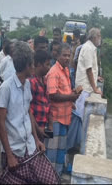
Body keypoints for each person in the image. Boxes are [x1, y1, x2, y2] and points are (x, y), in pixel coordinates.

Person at [0, 41, 59, 184]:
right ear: (27, 65)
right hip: (14, 150)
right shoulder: (6, 89)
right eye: (32, 64)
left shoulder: (27, 85)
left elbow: (28, 113)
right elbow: (0, 123)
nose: (34, 66)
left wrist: (36, 139)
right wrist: (9, 155)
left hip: (30, 147)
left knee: (51, 180)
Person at [45, 43, 80, 175]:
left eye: (68, 55)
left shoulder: (65, 70)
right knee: (52, 151)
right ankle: (49, 176)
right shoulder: (54, 72)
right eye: (64, 55)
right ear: (58, 55)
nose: (67, 58)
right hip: (55, 118)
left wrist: (72, 97)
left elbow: (65, 91)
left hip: (65, 117)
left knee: (61, 149)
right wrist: (70, 97)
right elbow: (52, 94)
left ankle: (57, 174)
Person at [29, 50, 52, 142]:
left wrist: (50, 124)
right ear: (38, 64)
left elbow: (48, 103)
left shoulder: (44, 79)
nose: (49, 68)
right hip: (34, 127)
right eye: (47, 65)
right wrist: (37, 129)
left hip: (43, 125)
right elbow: (28, 110)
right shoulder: (32, 82)